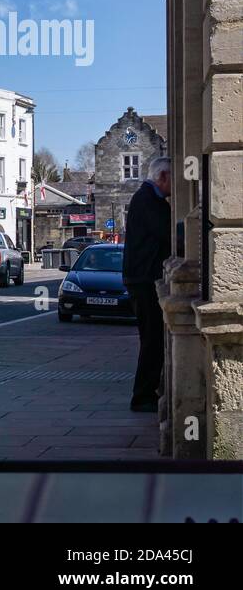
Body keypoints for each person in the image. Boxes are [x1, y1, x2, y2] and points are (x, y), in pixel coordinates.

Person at [122, 156, 173, 413]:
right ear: (162, 177)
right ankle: (142, 397)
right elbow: (168, 234)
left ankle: (146, 393)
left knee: (151, 339)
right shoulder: (148, 200)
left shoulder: (147, 199)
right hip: (144, 280)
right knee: (151, 340)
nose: (175, 186)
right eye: (173, 179)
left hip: (141, 278)